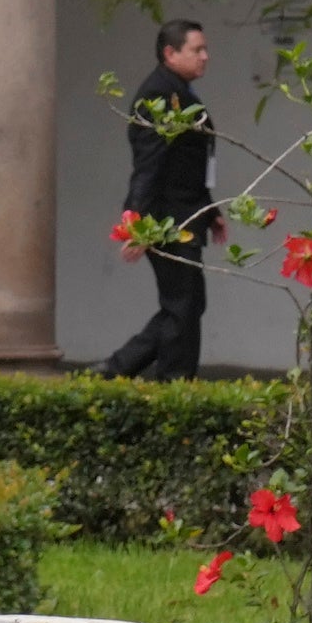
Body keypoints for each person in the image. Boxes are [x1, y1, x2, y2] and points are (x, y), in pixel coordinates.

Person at [96, 19, 218, 379]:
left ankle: (122, 369)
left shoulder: (178, 91)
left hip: (185, 214)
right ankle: (170, 380)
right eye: (196, 50)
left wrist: (212, 211)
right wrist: (135, 224)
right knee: (183, 304)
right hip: (166, 219)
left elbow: (189, 163)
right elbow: (149, 166)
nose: (205, 57)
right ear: (170, 53)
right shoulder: (158, 96)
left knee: (188, 303)